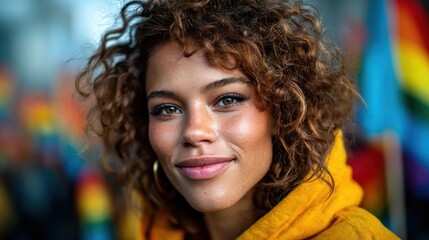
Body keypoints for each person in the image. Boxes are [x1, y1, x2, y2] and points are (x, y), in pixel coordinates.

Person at [76, 0, 399, 239]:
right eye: (166, 109)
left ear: (282, 110)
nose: (194, 132)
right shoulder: (153, 230)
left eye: (228, 100)